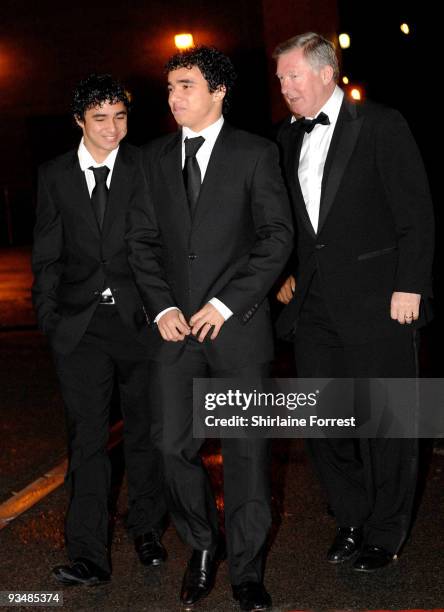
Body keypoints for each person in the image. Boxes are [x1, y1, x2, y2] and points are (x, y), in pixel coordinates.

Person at [127, 46, 293, 610]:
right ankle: (203, 545)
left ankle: (247, 570)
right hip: (174, 332)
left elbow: (276, 237)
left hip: (238, 329)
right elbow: (141, 242)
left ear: (218, 91)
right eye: (170, 87)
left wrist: (224, 305)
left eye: (186, 86)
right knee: (172, 444)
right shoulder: (151, 158)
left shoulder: (255, 153)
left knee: (246, 453)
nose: (173, 97)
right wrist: (162, 308)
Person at [273, 32, 434, 572]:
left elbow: (416, 213)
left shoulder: (382, 125)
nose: (285, 87)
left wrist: (411, 284)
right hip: (315, 305)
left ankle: (386, 533)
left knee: (389, 423)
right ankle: (352, 516)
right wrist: (286, 274)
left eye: (292, 76)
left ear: (325, 73)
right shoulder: (285, 137)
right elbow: (295, 224)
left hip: (381, 301)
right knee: (322, 424)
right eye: (280, 78)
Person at [32, 74, 166, 586]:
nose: (113, 129)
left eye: (121, 117)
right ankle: (88, 553)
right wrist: (50, 319)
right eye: (101, 119)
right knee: (87, 440)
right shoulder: (54, 176)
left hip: (140, 323)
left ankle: (148, 529)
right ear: (79, 122)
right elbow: (46, 256)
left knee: (146, 434)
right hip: (80, 328)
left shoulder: (147, 166)